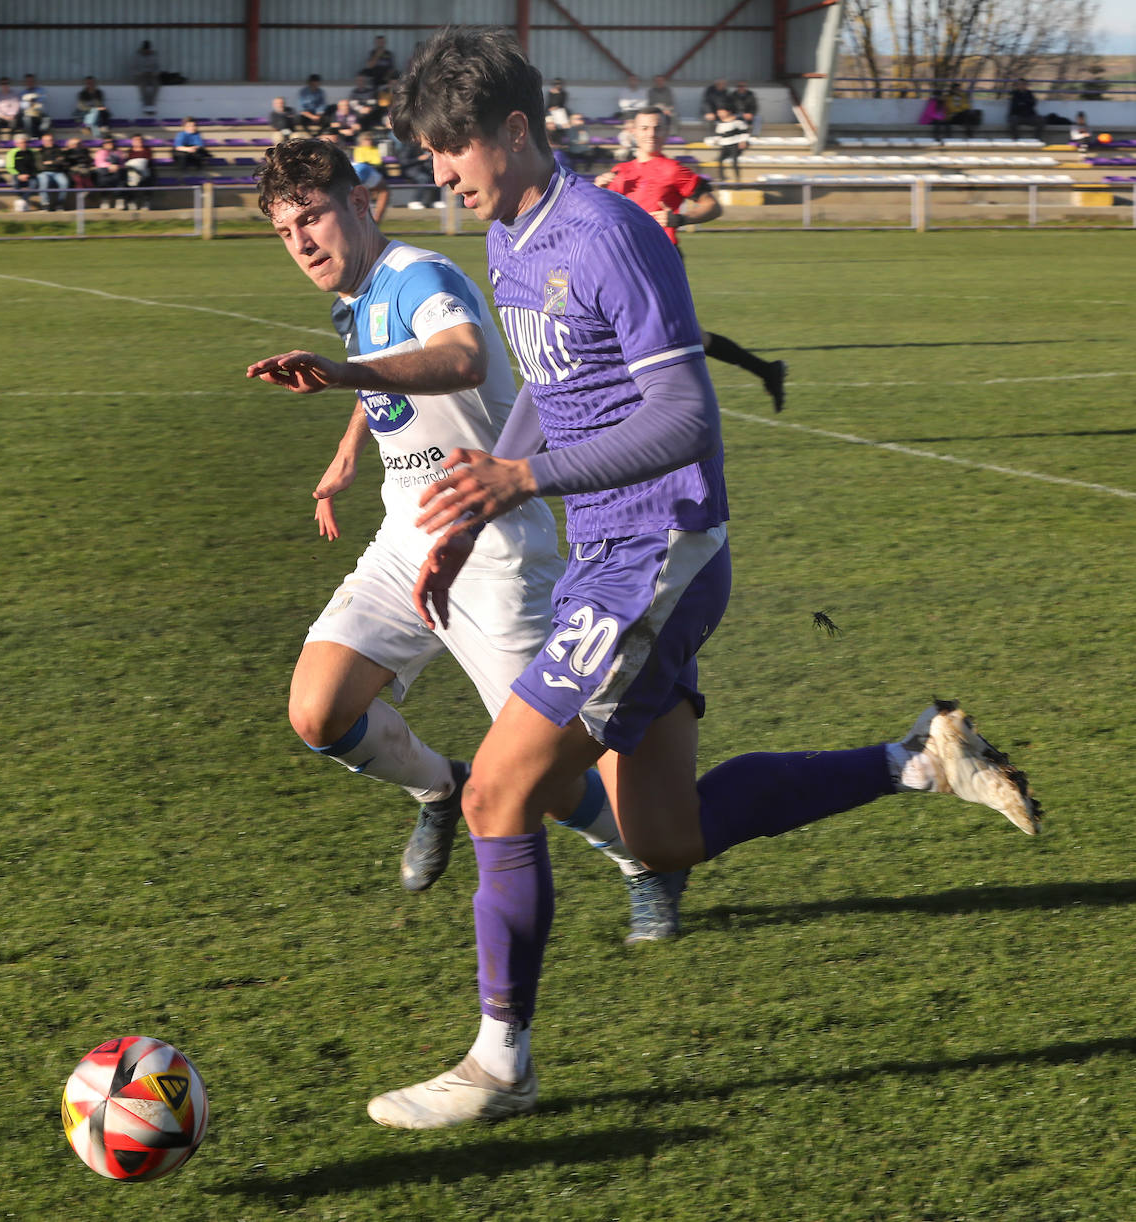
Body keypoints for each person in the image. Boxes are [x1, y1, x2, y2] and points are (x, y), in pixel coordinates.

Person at [369, 24, 1040, 1130]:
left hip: (656, 553)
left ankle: (500, 1064)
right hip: (615, 553)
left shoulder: (609, 235)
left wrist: (523, 476)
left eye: (453, 149)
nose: (438, 173)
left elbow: (686, 417)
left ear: (519, 132)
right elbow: (547, 378)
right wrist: (479, 505)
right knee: (662, 836)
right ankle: (916, 757)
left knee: (498, 788)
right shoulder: (515, 235)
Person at [245, 138, 692, 949]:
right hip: (401, 539)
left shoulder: (423, 276)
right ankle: (438, 789)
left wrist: (347, 377)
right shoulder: (362, 295)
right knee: (318, 712)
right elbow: (388, 369)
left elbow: (461, 356)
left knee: (542, 773)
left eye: (312, 217)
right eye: (285, 231)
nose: (302, 242)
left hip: (489, 549)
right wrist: (348, 448)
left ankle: (642, 863)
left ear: (361, 202)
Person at [596, 107, 785, 410]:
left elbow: (713, 206)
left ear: (666, 131)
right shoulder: (619, 173)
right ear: (633, 132)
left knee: (658, 334)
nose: (651, 134)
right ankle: (765, 370)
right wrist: (598, 190)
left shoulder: (673, 170)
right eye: (644, 128)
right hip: (624, 263)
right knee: (681, 335)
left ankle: (645, 405)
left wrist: (679, 218)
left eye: (657, 128)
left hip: (661, 261)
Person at [349, 131, 390, 221]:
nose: (369, 141)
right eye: (366, 140)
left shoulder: (375, 150)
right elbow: (361, 161)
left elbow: (377, 161)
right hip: (364, 172)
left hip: (370, 172)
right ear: (361, 141)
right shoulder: (358, 150)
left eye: (370, 139)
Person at [712, 105, 750, 182]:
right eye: (719, 113)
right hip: (725, 144)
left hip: (734, 144)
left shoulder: (737, 121)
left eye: (722, 112)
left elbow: (744, 131)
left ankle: (737, 179)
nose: (720, 114)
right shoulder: (720, 123)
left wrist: (743, 141)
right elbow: (719, 134)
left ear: (728, 112)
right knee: (719, 160)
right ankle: (722, 178)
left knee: (734, 162)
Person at [34, 131, 70, 210]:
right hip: (44, 172)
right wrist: (55, 162)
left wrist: (50, 163)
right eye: (47, 140)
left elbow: (62, 162)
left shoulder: (58, 150)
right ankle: (45, 203)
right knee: (44, 181)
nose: (49, 142)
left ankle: (60, 203)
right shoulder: (39, 152)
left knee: (64, 183)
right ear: (43, 141)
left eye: (51, 140)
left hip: (58, 172)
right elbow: (40, 165)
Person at [5, 132, 38, 210]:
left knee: (34, 184)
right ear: (16, 144)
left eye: (24, 142)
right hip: (17, 174)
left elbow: (34, 166)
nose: (23, 144)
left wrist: (28, 174)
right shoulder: (12, 152)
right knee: (15, 184)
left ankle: (22, 201)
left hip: (30, 174)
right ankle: (24, 202)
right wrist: (19, 174)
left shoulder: (33, 152)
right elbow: (10, 167)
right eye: (20, 143)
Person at [92, 136, 126, 209]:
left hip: (117, 171)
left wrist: (117, 167)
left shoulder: (119, 152)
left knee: (121, 175)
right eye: (107, 142)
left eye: (111, 142)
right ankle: (105, 199)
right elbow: (98, 163)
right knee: (101, 177)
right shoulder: (100, 152)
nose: (109, 144)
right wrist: (110, 166)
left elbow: (123, 164)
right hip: (105, 172)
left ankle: (119, 199)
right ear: (103, 144)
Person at [123, 134, 155, 208]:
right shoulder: (130, 151)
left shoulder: (147, 150)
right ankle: (131, 201)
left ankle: (146, 202)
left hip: (145, 171)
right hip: (132, 172)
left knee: (146, 179)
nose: (138, 141)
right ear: (132, 142)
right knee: (130, 177)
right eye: (136, 140)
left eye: (140, 140)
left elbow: (148, 162)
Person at [133, 40, 161, 115]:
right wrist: (140, 73)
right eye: (145, 50)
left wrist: (154, 73)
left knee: (156, 86)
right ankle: (146, 106)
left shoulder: (154, 55)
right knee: (143, 87)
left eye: (148, 50)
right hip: (141, 75)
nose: (146, 52)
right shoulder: (137, 55)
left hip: (152, 75)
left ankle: (151, 105)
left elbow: (157, 67)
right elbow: (134, 68)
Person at [20, 74, 49, 139]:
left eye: (31, 81)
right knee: (26, 119)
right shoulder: (23, 93)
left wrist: (32, 102)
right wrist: (30, 103)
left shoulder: (41, 91)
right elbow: (22, 106)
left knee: (46, 121)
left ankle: (41, 138)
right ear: (25, 82)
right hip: (29, 114)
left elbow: (43, 102)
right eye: (28, 81)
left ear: (34, 81)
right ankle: (33, 137)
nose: (30, 83)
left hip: (40, 114)